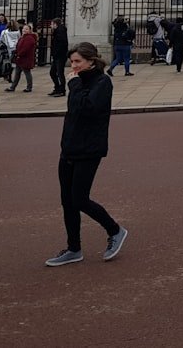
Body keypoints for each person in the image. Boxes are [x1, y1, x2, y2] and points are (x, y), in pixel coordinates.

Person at [45, 42, 128, 267]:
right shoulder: (78, 82)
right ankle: (74, 248)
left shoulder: (102, 82)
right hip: (70, 147)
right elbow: (73, 112)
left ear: (91, 61)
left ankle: (115, 230)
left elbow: (88, 108)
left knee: (79, 198)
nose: (74, 66)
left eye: (78, 62)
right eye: (72, 62)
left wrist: (74, 85)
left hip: (89, 148)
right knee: (67, 202)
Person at [7, 23, 37, 93]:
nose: (24, 30)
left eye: (26, 29)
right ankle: (13, 87)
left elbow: (25, 48)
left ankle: (29, 87)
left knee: (27, 73)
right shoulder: (23, 37)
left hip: (25, 58)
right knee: (17, 73)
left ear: (30, 30)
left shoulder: (29, 38)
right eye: (23, 29)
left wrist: (19, 54)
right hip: (20, 58)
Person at [48, 18, 70, 96]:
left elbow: (61, 44)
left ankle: (62, 90)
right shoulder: (58, 31)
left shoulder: (60, 31)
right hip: (58, 55)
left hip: (60, 56)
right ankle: (57, 88)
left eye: (51, 24)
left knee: (60, 73)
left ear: (55, 24)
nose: (50, 26)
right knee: (53, 72)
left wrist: (56, 52)